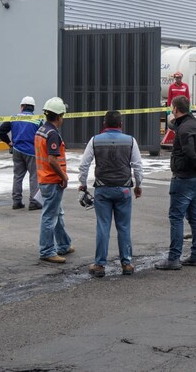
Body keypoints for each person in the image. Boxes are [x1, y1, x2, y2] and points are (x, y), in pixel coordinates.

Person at [78, 110, 143, 278]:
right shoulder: (130, 141)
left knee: (103, 227)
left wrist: (83, 184)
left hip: (102, 189)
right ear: (120, 125)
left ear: (104, 125)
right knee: (124, 227)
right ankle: (127, 263)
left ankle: (99, 265)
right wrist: (138, 185)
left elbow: (84, 164)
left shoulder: (95, 141)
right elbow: (137, 166)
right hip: (124, 189)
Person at [155, 96, 196, 270]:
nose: (171, 111)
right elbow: (176, 125)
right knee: (194, 217)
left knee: (176, 217)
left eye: (172, 109)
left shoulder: (185, 129)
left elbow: (188, 152)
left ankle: (173, 258)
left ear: (176, 110)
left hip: (184, 177)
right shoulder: (193, 124)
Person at [34, 97, 73, 263]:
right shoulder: (52, 134)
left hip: (45, 179)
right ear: (59, 117)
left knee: (58, 214)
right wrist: (64, 176)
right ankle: (47, 251)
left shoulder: (41, 130)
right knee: (50, 217)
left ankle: (63, 244)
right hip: (52, 181)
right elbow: (52, 159)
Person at [0, 96, 42, 210]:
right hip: (32, 152)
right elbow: (43, 136)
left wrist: (9, 142)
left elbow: (0, 131)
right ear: (33, 108)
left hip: (17, 151)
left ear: (22, 107)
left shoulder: (13, 118)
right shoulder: (38, 120)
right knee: (34, 177)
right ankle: (34, 202)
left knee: (17, 177)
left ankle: (16, 201)